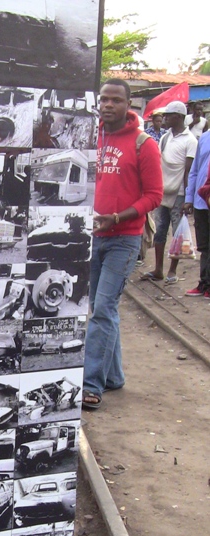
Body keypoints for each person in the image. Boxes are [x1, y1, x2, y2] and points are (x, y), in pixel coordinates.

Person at [82, 79, 163, 409]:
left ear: (129, 105)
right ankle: (113, 376)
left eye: (116, 100)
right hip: (92, 238)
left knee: (103, 309)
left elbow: (154, 196)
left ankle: (91, 385)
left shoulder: (144, 144)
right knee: (101, 308)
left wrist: (117, 217)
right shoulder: (90, 137)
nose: (108, 105)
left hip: (124, 238)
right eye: (104, 99)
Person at [141, 101, 197, 284]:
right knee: (160, 232)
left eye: (169, 115)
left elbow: (188, 171)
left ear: (179, 117)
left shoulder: (190, 141)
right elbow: (158, 164)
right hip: (163, 192)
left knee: (177, 233)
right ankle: (158, 269)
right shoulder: (166, 138)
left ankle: (172, 271)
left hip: (179, 193)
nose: (165, 118)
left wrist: (188, 198)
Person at [183, 130, 210, 297]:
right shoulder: (205, 137)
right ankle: (204, 284)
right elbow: (194, 171)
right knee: (204, 245)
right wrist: (189, 198)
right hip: (202, 201)